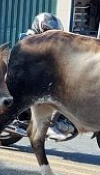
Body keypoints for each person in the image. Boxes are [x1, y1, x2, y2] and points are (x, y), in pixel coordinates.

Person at [21, 12, 67, 141]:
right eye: (47, 31)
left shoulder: (45, 42)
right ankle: (49, 125)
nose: (50, 35)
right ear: (39, 27)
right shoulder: (28, 39)